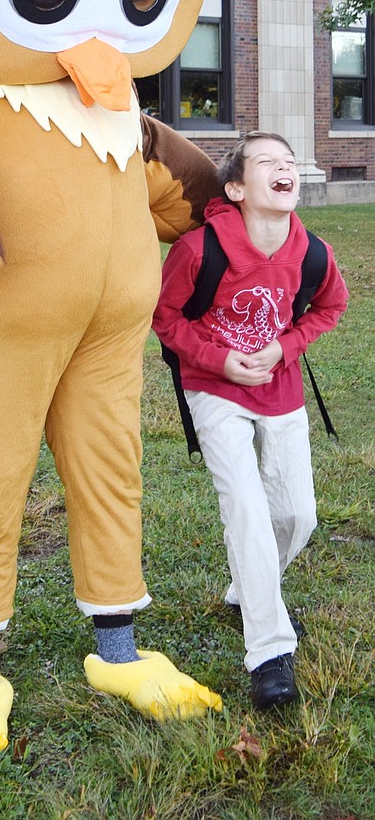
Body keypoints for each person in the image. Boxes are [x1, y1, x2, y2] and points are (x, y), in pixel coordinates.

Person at [152, 132, 349, 708]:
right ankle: (268, 651)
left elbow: (330, 307)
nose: (284, 167)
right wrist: (220, 360)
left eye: (290, 162)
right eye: (268, 162)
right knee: (246, 508)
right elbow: (165, 319)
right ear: (236, 187)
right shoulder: (199, 249)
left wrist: (284, 348)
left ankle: (249, 589)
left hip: (280, 387)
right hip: (214, 389)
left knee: (296, 515)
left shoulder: (313, 252)